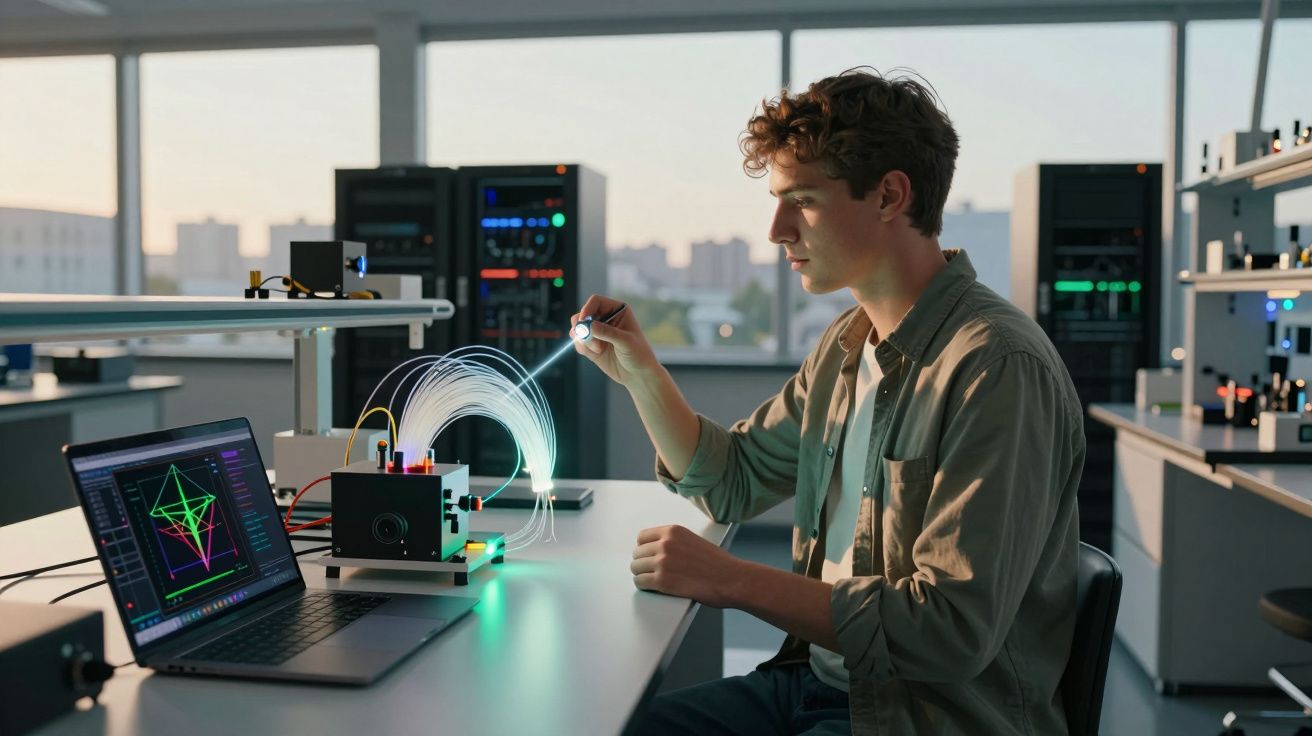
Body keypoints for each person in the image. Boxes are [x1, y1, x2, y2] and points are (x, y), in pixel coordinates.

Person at [570, 67, 1084, 736]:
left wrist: (732, 580)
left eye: (803, 200)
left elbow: (950, 631)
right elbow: (731, 481)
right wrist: (641, 372)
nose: (777, 229)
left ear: (889, 195)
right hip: (815, 683)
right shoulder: (848, 344)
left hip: (919, 719)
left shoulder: (996, 368)